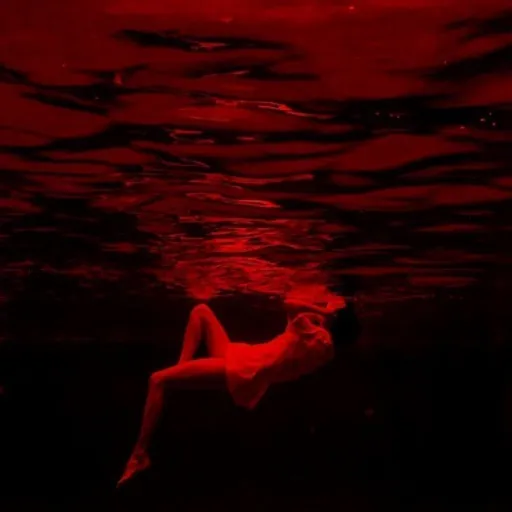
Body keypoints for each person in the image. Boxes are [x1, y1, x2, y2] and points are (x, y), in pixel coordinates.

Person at [117, 292, 356, 487]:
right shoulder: (325, 348)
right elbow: (295, 320)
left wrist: (322, 311)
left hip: (244, 368)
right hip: (246, 363)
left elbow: (290, 303)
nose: (325, 306)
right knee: (201, 312)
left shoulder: (317, 336)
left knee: (157, 379)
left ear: (335, 317)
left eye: (330, 307)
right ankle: (181, 372)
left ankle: (140, 454)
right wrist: (324, 312)